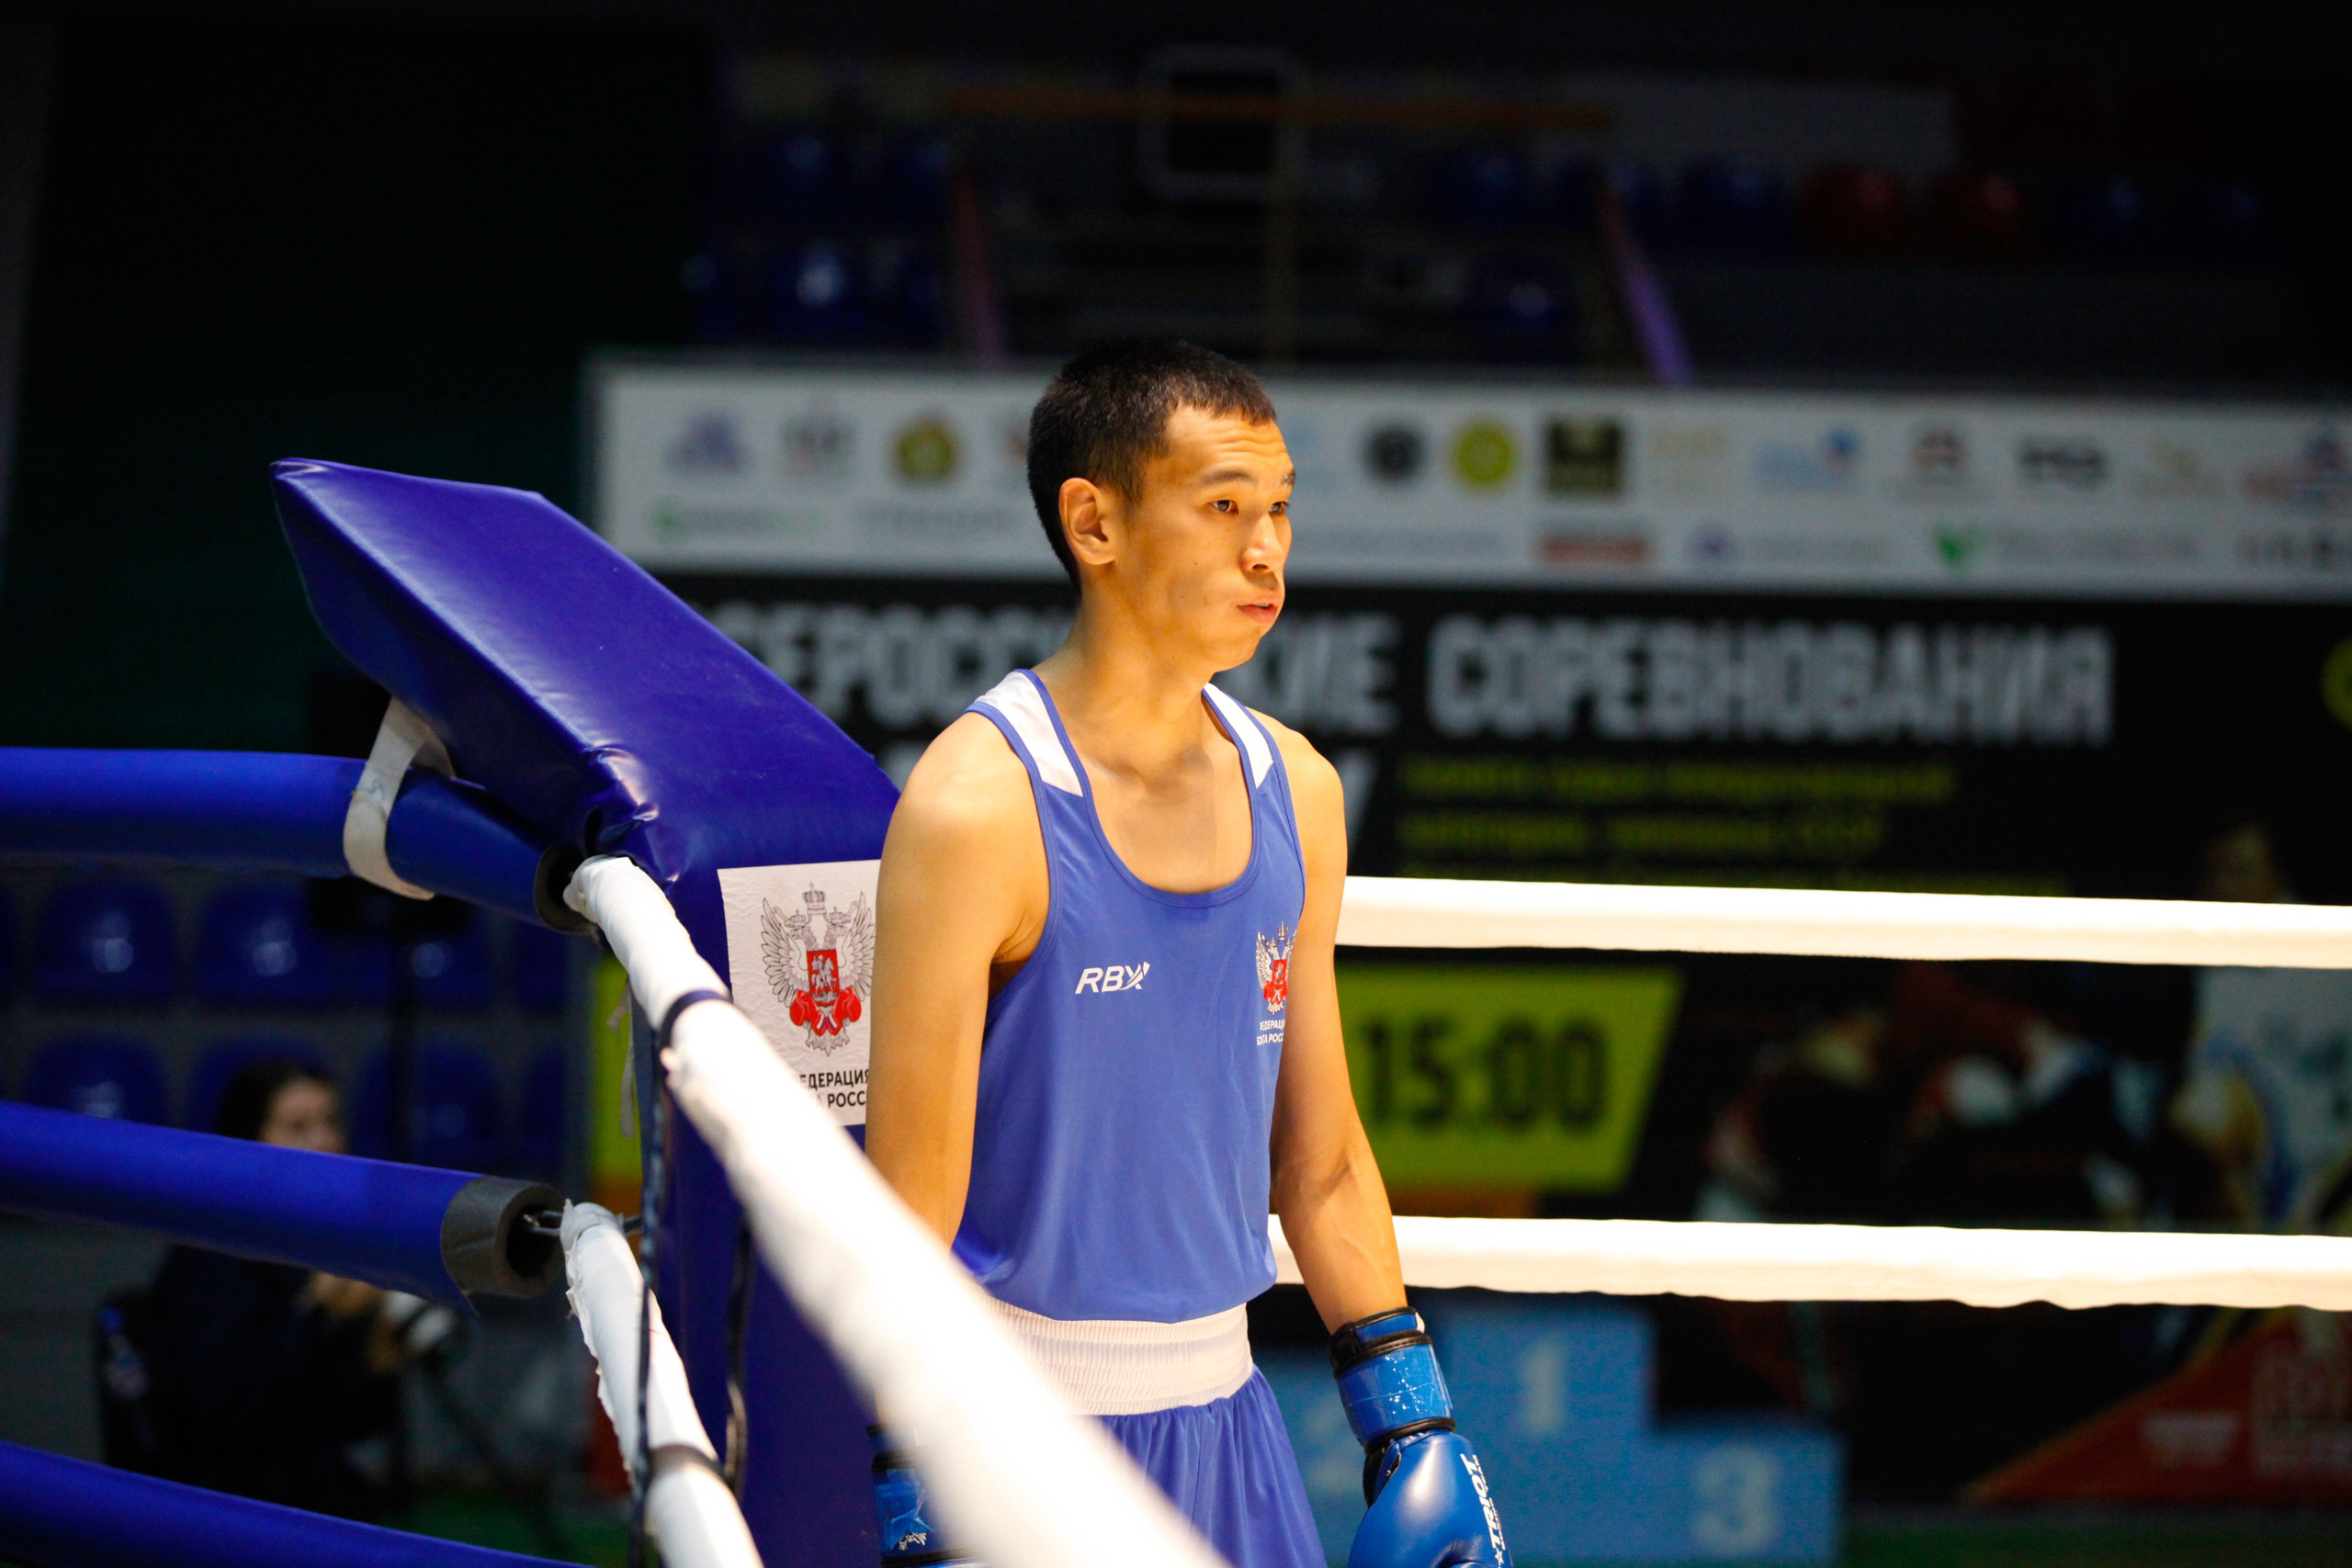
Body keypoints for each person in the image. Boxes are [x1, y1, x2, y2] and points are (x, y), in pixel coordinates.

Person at [865, 341, 1510, 1568]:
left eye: (1278, 509)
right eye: (1223, 507)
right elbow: (906, 1211)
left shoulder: (1298, 788)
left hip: (1234, 1419)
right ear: (1093, 523)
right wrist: (911, 1462)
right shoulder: (979, 807)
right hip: (1019, 1437)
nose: (1265, 548)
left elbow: (1317, 1159)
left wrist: (1411, 1416)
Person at [141, 1059, 402, 1517]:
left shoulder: (327, 1246)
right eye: (298, 1126)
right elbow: (226, 1414)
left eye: (330, 1123)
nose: (325, 1142)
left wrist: (377, 1360)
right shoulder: (209, 1250)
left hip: (304, 1485)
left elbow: (343, 1427)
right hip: (215, 1500)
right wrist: (314, 1311)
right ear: (249, 1140)